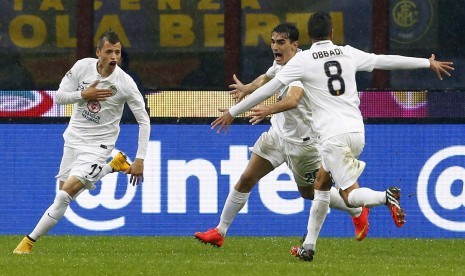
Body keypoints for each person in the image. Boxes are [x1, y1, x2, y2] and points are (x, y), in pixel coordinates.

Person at [210, 12, 454, 262]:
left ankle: (383, 197)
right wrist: (426, 62)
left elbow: (271, 90)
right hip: (357, 131)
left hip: (331, 137)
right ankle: (308, 246)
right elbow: (383, 60)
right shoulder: (347, 52)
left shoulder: (303, 60)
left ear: (306, 36)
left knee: (348, 194)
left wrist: (232, 112)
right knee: (321, 187)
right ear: (332, 33)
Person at [194, 23, 369, 248]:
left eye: (281, 42)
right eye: (273, 41)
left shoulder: (303, 67)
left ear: (294, 45)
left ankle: (356, 208)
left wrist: (266, 109)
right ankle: (220, 231)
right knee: (247, 178)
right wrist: (248, 88)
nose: (275, 47)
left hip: (303, 145)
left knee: (309, 193)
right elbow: (267, 77)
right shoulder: (281, 63)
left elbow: (294, 99)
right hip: (277, 136)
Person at [13, 30, 151, 254]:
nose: (113, 56)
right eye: (109, 51)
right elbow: (59, 97)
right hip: (73, 138)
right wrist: (83, 95)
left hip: (98, 146)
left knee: (63, 196)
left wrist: (140, 159)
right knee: (64, 196)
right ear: (99, 53)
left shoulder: (125, 83)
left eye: (118, 52)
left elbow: (144, 121)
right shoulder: (81, 67)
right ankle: (112, 167)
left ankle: (28, 242)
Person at [117, 48, 149, 123]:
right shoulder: (98, 78)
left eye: (117, 55)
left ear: (122, 59)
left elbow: (139, 104)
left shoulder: (132, 78)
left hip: (129, 124)